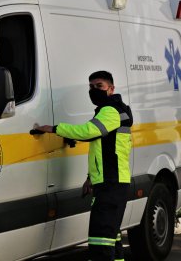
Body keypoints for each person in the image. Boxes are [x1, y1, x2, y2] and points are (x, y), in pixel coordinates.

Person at [36, 70, 133, 261]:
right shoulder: (110, 109)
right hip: (111, 182)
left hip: (111, 183)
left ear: (111, 89)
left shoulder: (111, 110)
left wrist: (54, 128)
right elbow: (101, 149)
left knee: (101, 241)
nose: (94, 90)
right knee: (111, 237)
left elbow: (87, 132)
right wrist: (90, 177)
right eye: (91, 86)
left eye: (99, 86)